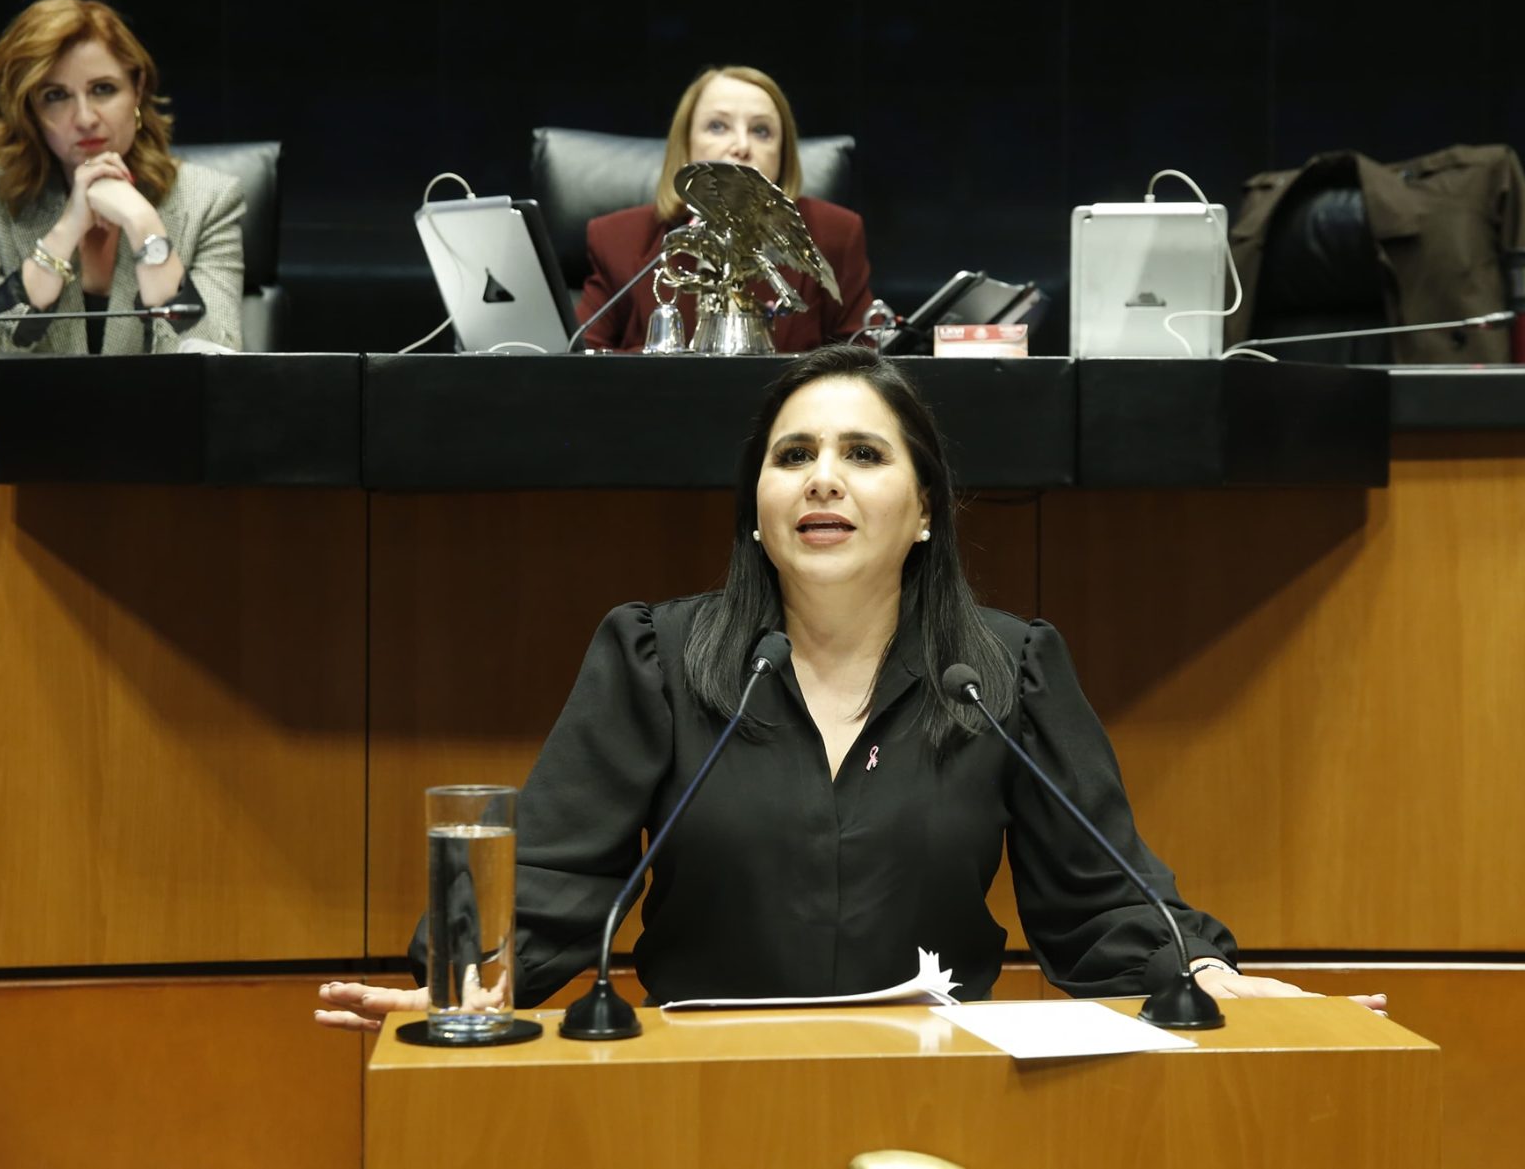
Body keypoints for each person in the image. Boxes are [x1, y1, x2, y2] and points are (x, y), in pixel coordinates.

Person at [317, 346, 1385, 1030]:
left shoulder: (1005, 671)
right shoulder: (657, 659)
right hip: (696, 1097)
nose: (822, 476)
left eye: (863, 453)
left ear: (923, 512)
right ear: (756, 509)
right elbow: (555, 875)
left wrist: (1208, 973)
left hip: (938, 1093)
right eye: (793, 455)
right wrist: (469, 978)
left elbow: (1103, 898)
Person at [0, 0, 244, 356]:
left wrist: (145, 227)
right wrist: (61, 237)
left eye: (103, 89)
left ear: (137, 88)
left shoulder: (207, 199)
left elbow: (219, 362)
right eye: (55, 96)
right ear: (29, 110)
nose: (85, 118)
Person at [575, 66, 874, 353]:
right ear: (685, 145)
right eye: (717, 126)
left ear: (783, 155)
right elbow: (576, 362)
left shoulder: (835, 233)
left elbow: (863, 366)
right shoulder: (617, 239)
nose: (741, 146)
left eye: (761, 131)